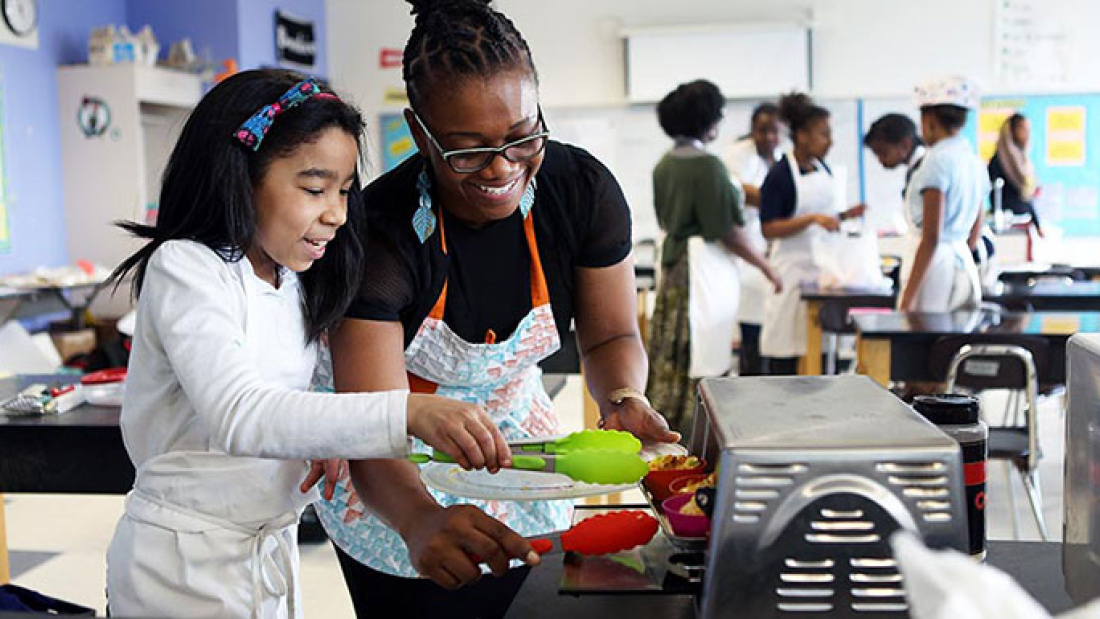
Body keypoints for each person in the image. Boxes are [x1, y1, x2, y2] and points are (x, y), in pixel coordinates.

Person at [312, 2, 681, 617]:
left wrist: (622, 399)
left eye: (522, 136)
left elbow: (611, 334)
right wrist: (421, 520)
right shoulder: (380, 237)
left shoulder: (579, 192)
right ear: (419, 130)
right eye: (468, 151)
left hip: (516, 440)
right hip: (391, 465)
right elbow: (372, 425)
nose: (503, 168)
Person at [103, 69, 514, 619]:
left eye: (344, 191)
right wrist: (408, 412)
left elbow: (281, 389)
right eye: (315, 189)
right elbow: (240, 414)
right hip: (181, 567)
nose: (338, 214)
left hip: (264, 553)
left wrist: (316, 432)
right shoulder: (187, 266)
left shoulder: (289, 277)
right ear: (240, 176)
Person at [646, 80, 780, 433]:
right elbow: (728, 232)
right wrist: (767, 266)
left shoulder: (664, 164)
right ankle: (695, 434)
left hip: (674, 266)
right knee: (698, 354)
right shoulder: (709, 167)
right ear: (710, 122)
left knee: (672, 351)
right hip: (701, 271)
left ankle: (666, 426)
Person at [758, 92, 866, 375]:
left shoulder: (823, 168)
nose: (829, 141)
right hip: (790, 273)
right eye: (824, 134)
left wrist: (843, 216)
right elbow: (768, 227)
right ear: (802, 136)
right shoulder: (780, 175)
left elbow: (824, 219)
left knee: (820, 355)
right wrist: (811, 219)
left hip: (822, 275)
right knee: (787, 356)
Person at [899, 77, 988, 312]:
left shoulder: (936, 161)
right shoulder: (973, 160)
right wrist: (963, 248)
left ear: (929, 121)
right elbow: (978, 219)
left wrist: (907, 299)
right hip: (961, 260)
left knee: (924, 339)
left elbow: (931, 236)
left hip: (933, 267)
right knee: (952, 342)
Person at [723, 102, 782, 376]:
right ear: (752, 131)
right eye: (762, 131)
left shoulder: (783, 158)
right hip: (745, 256)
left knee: (773, 335)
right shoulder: (738, 155)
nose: (769, 137)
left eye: (774, 131)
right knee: (751, 337)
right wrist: (787, 201)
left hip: (773, 256)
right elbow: (742, 193)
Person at [988, 113, 1042, 236]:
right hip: (1007, 226)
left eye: (1028, 129)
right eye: (1022, 128)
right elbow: (998, 197)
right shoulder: (999, 162)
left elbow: (1027, 199)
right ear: (1011, 131)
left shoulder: (1023, 160)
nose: (1026, 133)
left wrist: (1036, 222)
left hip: (1025, 221)